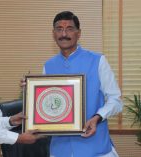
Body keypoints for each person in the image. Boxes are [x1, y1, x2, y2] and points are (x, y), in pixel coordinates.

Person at [43, 11, 123, 157]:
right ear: (53, 33)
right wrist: (31, 92)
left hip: (96, 148)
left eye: (70, 29)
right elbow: (47, 106)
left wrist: (97, 117)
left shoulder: (98, 60)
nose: (64, 34)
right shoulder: (48, 66)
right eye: (59, 29)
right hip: (59, 150)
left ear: (78, 33)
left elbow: (116, 101)